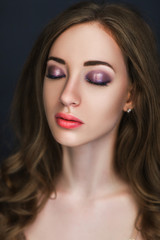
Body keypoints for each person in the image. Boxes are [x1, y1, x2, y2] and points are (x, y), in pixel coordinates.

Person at [0, 1, 160, 240]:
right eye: (55, 73)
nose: (66, 96)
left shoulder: (154, 217)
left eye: (96, 78)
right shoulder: (6, 199)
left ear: (131, 96)